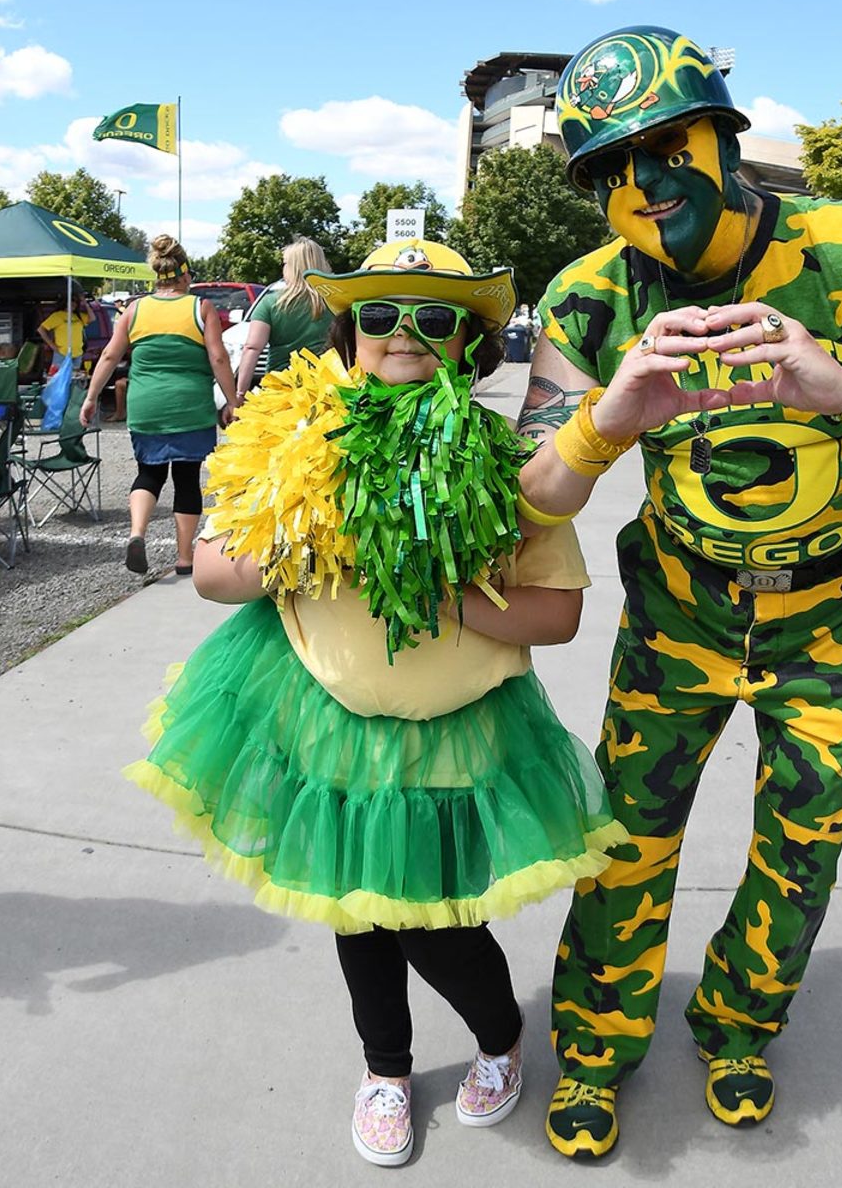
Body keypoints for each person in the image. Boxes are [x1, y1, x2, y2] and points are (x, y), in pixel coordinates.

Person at [512, 24, 842, 1160]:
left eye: (662, 146)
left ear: (721, 135)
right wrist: (612, 419)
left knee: (802, 842)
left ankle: (739, 1023)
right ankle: (597, 1047)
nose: (641, 185)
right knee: (625, 838)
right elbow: (535, 493)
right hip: (679, 612)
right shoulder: (591, 294)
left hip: (831, 614)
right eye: (606, 167)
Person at [123, 239, 627, 1168]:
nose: (405, 334)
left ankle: (500, 1038)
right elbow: (211, 576)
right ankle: (385, 1069)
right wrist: (319, 538)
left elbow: (555, 616)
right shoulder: (287, 433)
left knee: (438, 921)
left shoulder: (508, 458)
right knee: (357, 912)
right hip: (323, 720)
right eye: (383, 315)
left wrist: (435, 584)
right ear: (349, 331)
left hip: (458, 734)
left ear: (470, 343)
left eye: (434, 318)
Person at [82, 236, 236, 575]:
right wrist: (232, 400)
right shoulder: (200, 308)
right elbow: (218, 357)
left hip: (146, 406)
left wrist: (92, 397)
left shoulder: (135, 309)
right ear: (184, 275)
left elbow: (110, 354)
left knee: (148, 473)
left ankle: (137, 533)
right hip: (189, 406)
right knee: (186, 478)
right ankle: (184, 558)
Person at [234, 236, 333, 402]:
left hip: (280, 390)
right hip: (325, 389)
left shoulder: (271, 303)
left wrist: (240, 394)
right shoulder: (336, 301)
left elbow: (252, 348)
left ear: (293, 267)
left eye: (285, 263)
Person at [37, 286, 91, 372]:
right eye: (71, 301)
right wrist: (51, 345)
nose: (73, 303)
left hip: (77, 353)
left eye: (75, 302)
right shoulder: (57, 316)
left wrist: (85, 303)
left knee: (73, 380)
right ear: (66, 302)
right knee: (59, 378)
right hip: (62, 353)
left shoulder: (78, 316)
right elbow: (41, 329)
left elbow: (92, 318)